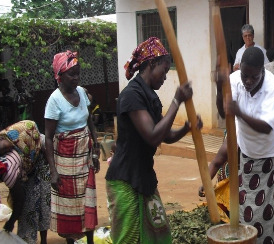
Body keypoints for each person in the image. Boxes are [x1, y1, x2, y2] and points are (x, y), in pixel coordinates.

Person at [105, 37, 202, 244]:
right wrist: (176, 101)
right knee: (129, 239)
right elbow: (152, 136)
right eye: (164, 70)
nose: (165, 77)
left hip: (144, 178)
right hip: (125, 179)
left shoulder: (149, 96)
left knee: (159, 234)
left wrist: (187, 128)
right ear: (151, 64)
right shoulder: (131, 95)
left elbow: (165, 136)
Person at [216, 46, 274, 243]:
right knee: (248, 210)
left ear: (262, 71)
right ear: (240, 68)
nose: (248, 81)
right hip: (248, 152)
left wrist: (239, 112)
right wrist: (219, 87)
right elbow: (224, 111)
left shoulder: (273, 87)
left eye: (254, 77)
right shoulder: (234, 80)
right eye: (245, 75)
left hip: (273, 154)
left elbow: (266, 127)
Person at [44, 50, 100, 244]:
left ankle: (90, 241)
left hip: (85, 157)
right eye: (72, 74)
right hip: (65, 162)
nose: (76, 78)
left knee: (88, 200)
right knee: (70, 204)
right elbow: (49, 138)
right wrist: (53, 170)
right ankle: (71, 241)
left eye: (78, 73)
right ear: (60, 76)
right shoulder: (54, 101)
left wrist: (96, 146)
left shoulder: (82, 93)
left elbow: (89, 121)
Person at [0, 120, 50, 244]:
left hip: (40, 153)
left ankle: (41, 240)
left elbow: (20, 200)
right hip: (26, 147)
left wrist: (11, 221)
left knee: (40, 201)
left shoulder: (9, 173)